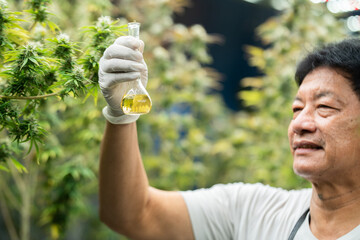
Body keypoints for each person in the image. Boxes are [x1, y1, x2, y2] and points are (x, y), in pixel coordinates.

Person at [98, 37, 360, 240]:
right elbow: (133, 214)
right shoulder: (256, 212)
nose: (301, 123)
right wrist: (121, 115)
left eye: (324, 107)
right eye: (296, 108)